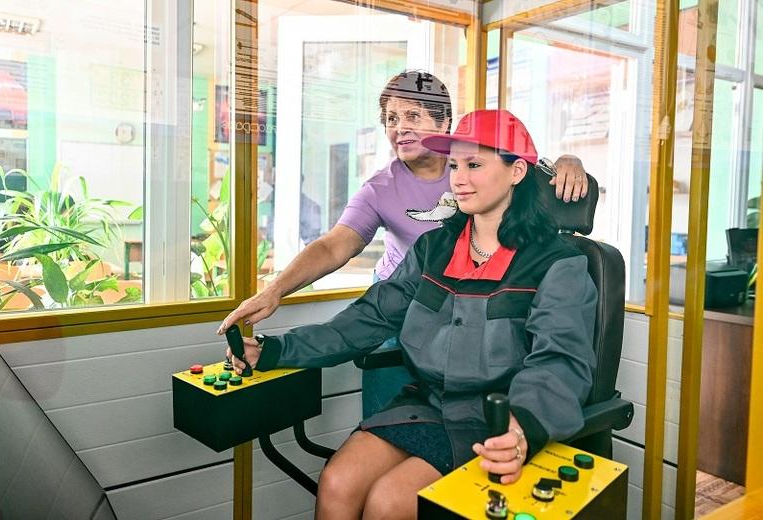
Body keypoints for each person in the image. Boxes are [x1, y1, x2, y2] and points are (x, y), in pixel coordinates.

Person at [227, 109, 598, 520]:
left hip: (492, 420)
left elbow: (560, 359)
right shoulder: (433, 248)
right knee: (336, 481)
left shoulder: (556, 263)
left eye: (474, 164)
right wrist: (275, 349)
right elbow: (369, 318)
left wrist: (522, 426)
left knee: (389, 502)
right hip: (426, 402)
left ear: (517, 172)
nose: (458, 178)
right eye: (454, 165)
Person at [217, 70, 590, 419]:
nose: (400, 128)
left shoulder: (485, 174)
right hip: (405, 300)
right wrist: (275, 294)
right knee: (380, 430)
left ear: (445, 124)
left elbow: (522, 167)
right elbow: (334, 247)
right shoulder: (389, 197)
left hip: (481, 312)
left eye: (413, 115)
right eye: (391, 119)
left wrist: (567, 162)